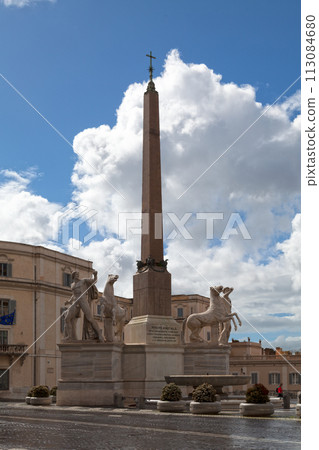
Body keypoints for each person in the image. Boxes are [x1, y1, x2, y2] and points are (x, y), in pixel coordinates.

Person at [64, 270, 104, 342]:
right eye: (76, 274)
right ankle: (69, 336)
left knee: (90, 318)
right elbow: (74, 294)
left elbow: (94, 281)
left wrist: (95, 275)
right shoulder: (72, 285)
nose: (77, 275)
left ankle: (99, 334)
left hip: (83, 301)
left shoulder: (83, 281)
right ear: (73, 276)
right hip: (75, 302)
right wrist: (69, 301)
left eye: (78, 274)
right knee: (67, 318)